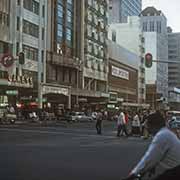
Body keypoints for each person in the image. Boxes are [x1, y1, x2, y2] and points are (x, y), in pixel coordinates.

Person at [126, 111, 180, 180]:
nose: (148, 129)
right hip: (174, 169)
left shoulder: (162, 135)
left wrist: (133, 174)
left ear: (153, 125)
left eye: (148, 126)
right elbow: (157, 157)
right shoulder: (166, 133)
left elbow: (149, 158)